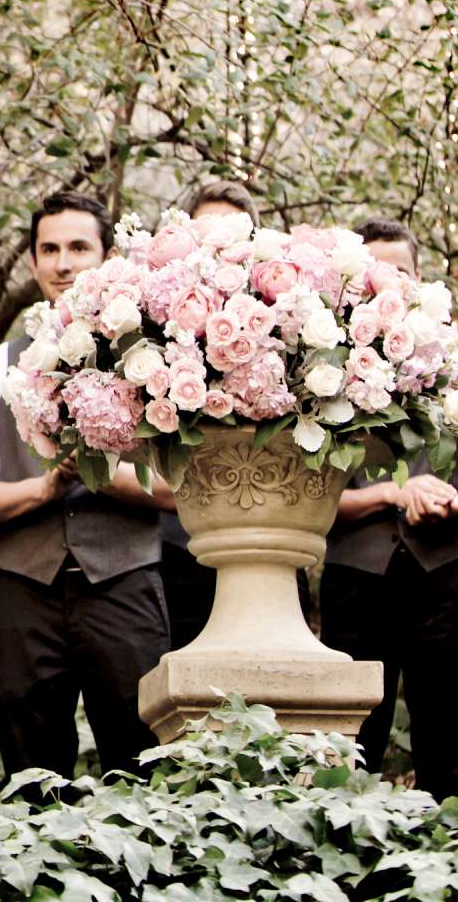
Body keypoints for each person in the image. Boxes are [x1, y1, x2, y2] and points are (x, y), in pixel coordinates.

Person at [0, 190, 173, 779]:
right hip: (24, 594)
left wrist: (108, 476)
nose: (63, 263)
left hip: (125, 587)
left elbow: (185, 493)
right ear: (33, 261)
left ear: (107, 257)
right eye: (49, 249)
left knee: (140, 763)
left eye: (78, 247)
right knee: (31, 774)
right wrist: (42, 490)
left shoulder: (155, 365)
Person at [317, 219, 458, 800]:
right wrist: (393, 493)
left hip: (444, 574)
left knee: (449, 750)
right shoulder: (320, 367)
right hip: (356, 578)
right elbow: (311, 502)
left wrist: (453, 500)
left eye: (400, 272)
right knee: (351, 751)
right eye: (376, 273)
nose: (390, 285)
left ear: (421, 279)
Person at [153, 176, 259, 650]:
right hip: (178, 548)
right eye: (207, 230)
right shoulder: (153, 329)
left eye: (230, 232)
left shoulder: (282, 325)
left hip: (264, 540)